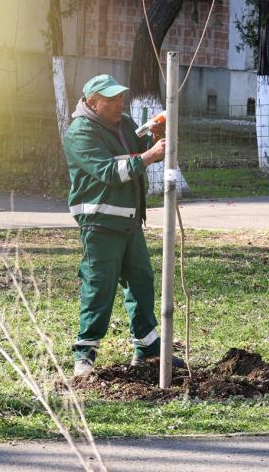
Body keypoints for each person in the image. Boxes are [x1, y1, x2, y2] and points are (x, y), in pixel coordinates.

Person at [64, 74, 178, 377]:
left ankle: (148, 352)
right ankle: (84, 357)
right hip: (99, 223)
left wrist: (152, 136)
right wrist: (150, 155)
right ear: (92, 103)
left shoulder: (123, 121)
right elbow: (110, 171)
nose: (119, 103)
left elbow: (135, 147)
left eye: (120, 97)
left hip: (129, 220)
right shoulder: (79, 133)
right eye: (111, 99)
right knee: (98, 286)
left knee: (141, 281)